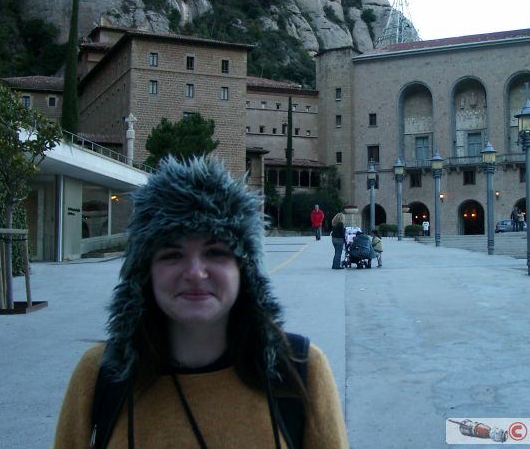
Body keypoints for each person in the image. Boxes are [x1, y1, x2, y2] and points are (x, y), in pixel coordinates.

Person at [52, 157, 348, 449]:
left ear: (243, 270)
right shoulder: (100, 375)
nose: (195, 273)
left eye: (215, 252)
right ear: (145, 272)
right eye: (171, 254)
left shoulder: (301, 367)